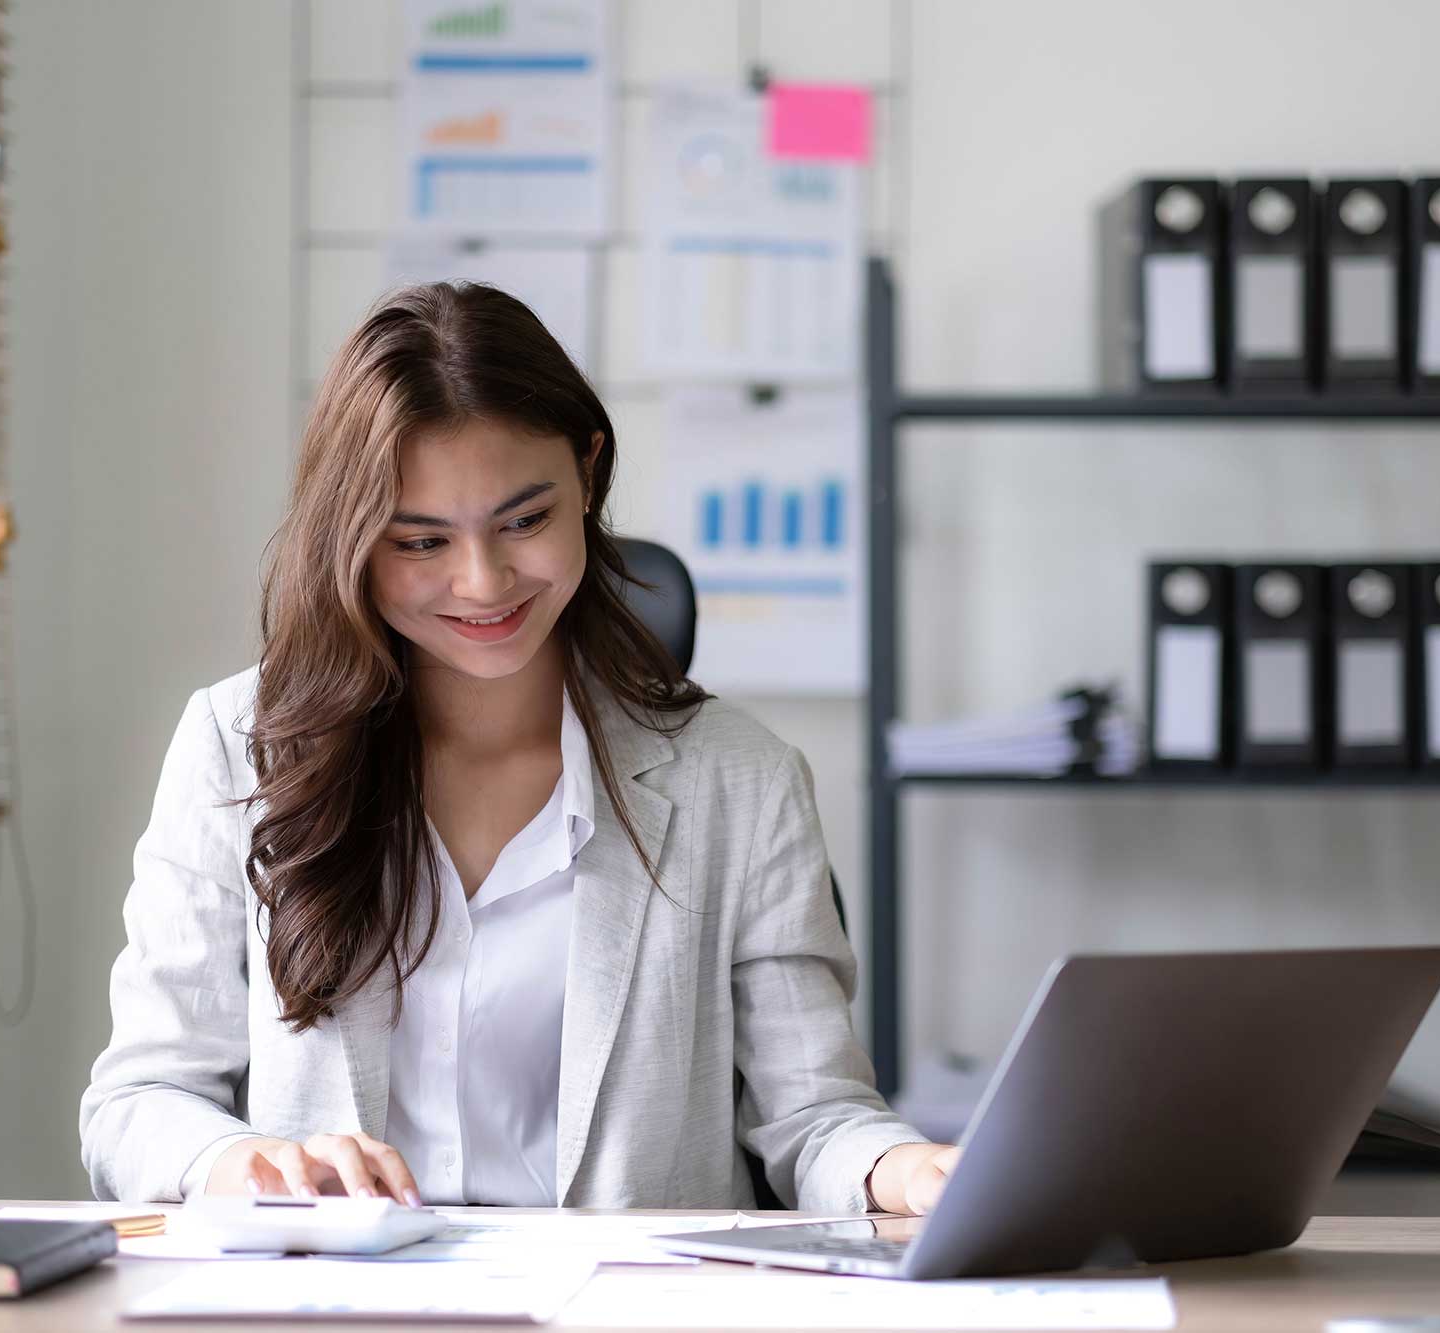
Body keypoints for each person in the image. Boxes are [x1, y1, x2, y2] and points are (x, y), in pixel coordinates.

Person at [78, 282, 958, 1216]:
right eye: (420, 539)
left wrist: (908, 1171)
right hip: (339, 1307)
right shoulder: (238, 748)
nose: (483, 580)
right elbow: (138, 1102)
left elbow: (814, 1115)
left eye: (525, 520)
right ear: (353, 540)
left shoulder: (741, 777)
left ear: (589, 472)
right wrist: (241, 1161)